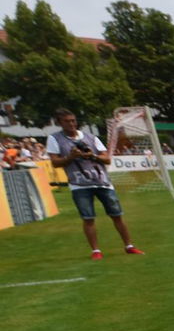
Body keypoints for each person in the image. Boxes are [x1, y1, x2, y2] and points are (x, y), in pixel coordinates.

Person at [47, 108, 143, 260]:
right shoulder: (54, 139)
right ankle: (96, 251)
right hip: (79, 184)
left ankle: (129, 246)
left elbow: (107, 159)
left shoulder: (90, 137)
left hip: (102, 182)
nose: (71, 124)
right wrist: (71, 157)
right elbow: (55, 162)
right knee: (88, 218)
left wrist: (92, 156)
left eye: (73, 120)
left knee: (117, 215)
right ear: (59, 123)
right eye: (67, 121)